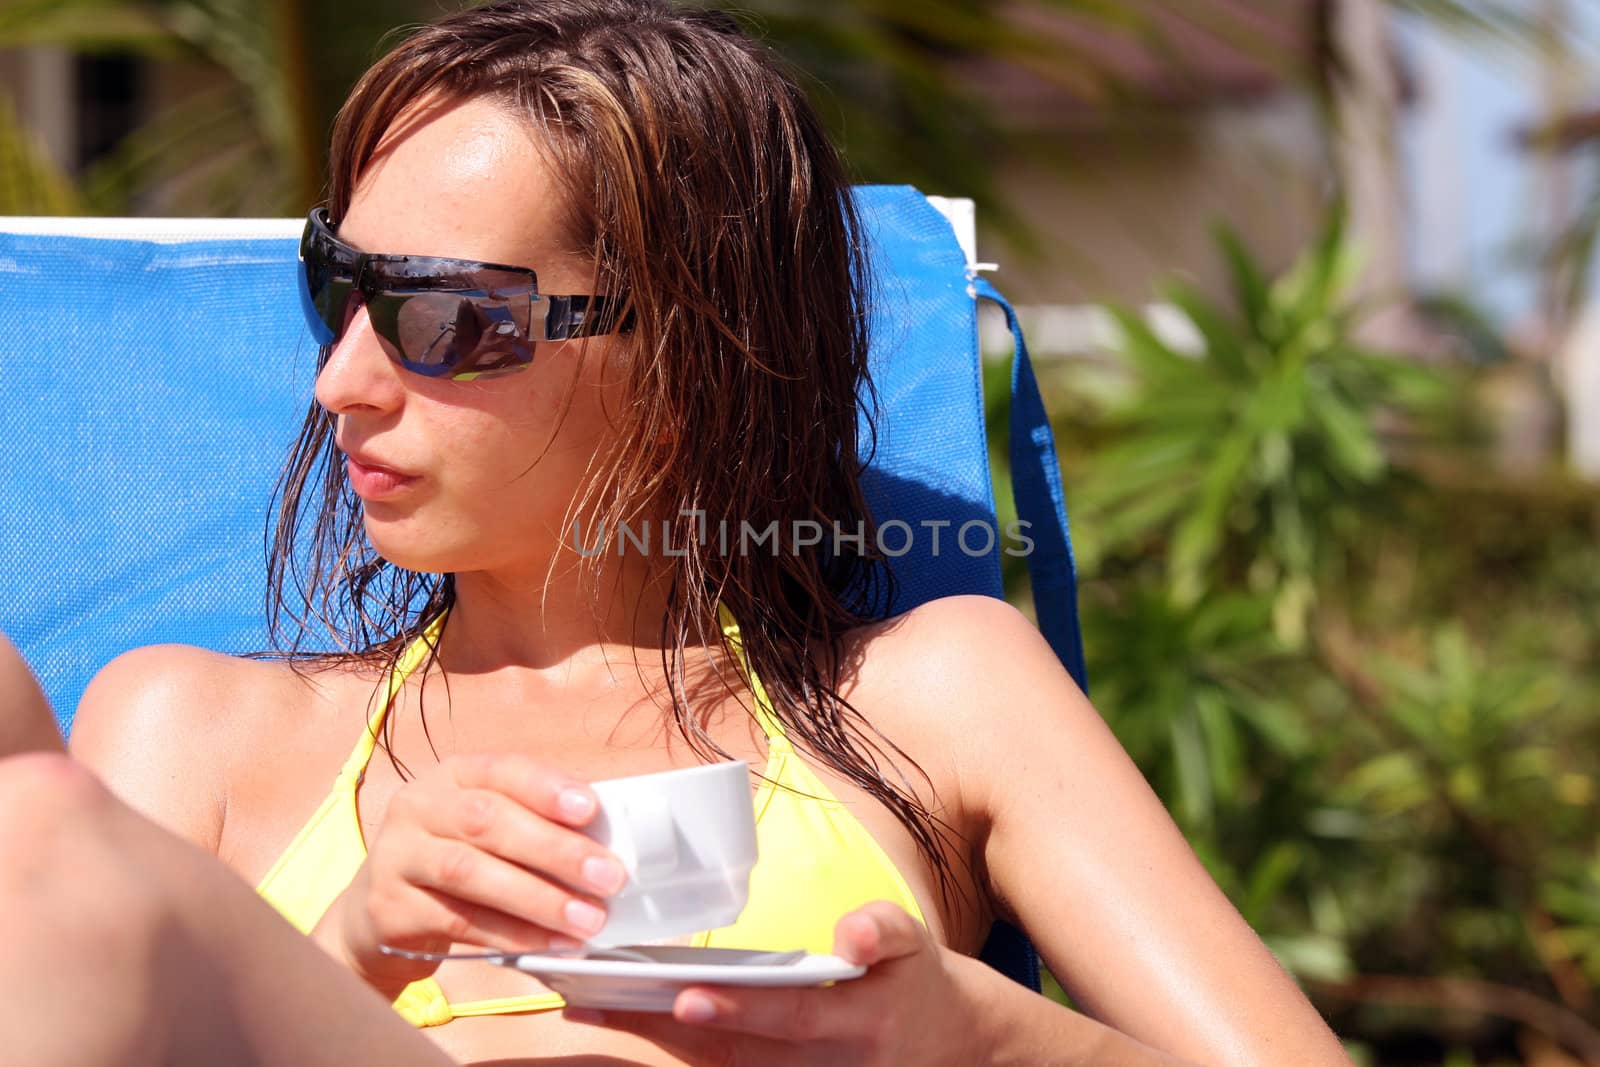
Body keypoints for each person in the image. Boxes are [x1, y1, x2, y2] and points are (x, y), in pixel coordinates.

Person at [0, 1, 1355, 1064]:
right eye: (338, 288)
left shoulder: (935, 696)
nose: (339, 380)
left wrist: (988, 1040)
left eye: (442, 316)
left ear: (691, 357)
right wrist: (341, 968)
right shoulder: (198, 734)